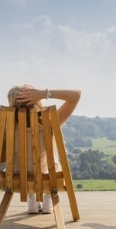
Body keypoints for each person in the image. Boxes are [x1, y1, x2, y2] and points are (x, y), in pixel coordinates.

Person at [6, 85, 82, 213]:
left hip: (17, 179)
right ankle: (47, 197)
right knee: (50, 162)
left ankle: (32, 198)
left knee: (24, 161)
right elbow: (76, 95)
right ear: (36, 101)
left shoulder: (8, 125)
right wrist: (43, 93)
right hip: (48, 180)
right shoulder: (50, 121)